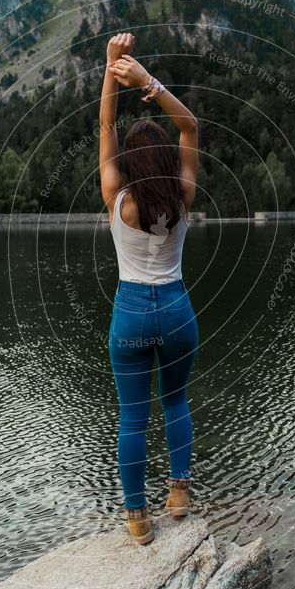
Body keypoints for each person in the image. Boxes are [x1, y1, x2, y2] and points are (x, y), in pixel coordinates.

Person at [99, 32, 199, 544]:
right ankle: (178, 495)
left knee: (132, 419)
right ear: (161, 159)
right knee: (176, 402)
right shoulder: (181, 196)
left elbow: (105, 125)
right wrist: (148, 83)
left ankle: (138, 520)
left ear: (131, 164)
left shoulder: (117, 197)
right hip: (178, 311)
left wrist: (112, 67)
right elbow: (190, 125)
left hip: (132, 313)